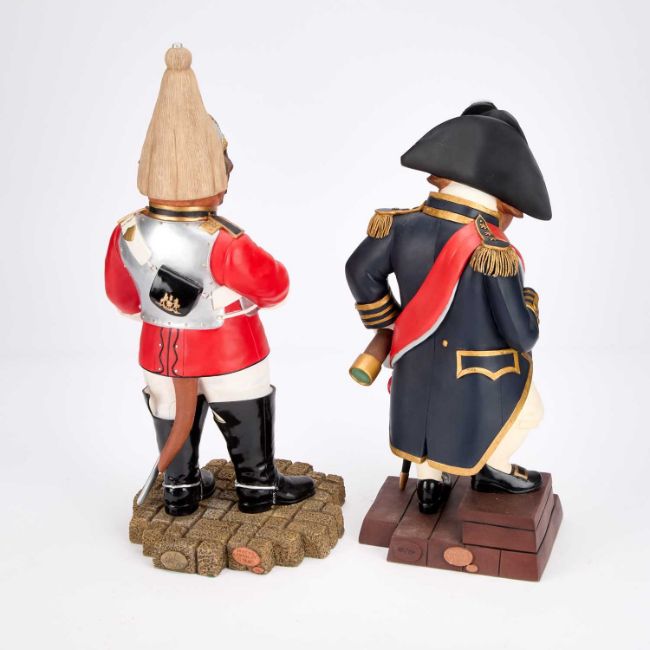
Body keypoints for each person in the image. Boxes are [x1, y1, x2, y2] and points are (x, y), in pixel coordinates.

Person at [105, 44, 314, 516]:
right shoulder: (224, 240)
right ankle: (258, 487)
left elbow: (121, 298)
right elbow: (275, 287)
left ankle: (179, 488)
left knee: (169, 408)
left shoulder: (127, 231)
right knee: (244, 408)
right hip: (229, 351)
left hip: (160, 353)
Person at [345, 102, 550, 514]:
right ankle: (492, 467)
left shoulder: (399, 225)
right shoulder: (494, 250)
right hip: (479, 371)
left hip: (414, 359)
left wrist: (392, 323)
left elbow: (359, 270)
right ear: (505, 198)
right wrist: (530, 301)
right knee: (530, 412)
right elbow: (522, 335)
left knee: (424, 411)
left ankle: (430, 483)